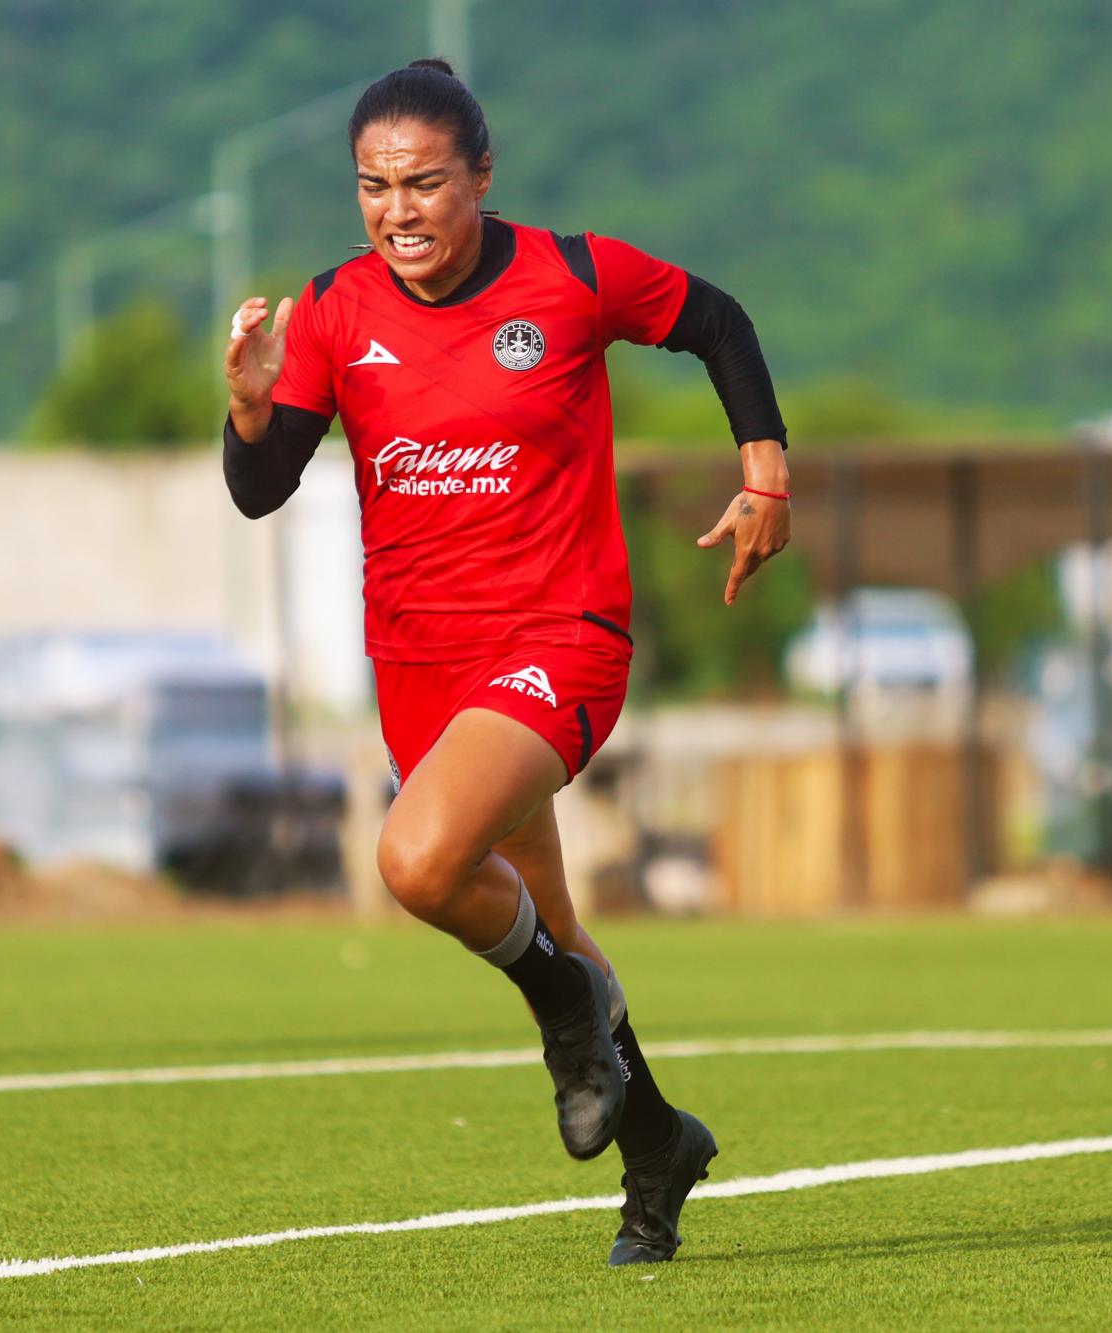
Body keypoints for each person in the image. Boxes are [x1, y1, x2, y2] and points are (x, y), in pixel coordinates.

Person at [221, 60, 791, 1264]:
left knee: (418, 862)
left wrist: (764, 470)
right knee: (554, 927)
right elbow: (262, 494)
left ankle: (560, 1016)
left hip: (557, 641)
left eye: (424, 182)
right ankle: (657, 1150)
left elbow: (719, 321)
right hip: (419, 666)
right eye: (372, 187)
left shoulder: (572, 276)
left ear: (481, 176)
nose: (398, 211)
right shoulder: (332, 309)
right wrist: (249, 410)